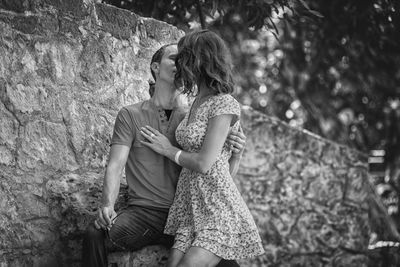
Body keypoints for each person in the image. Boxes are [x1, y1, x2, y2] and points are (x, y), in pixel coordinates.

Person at [81, 42, 246, 267]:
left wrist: (235, 154)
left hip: (186, 216)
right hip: (143, 215)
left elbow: (215, 175)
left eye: (185, 60)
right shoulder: (130, 114)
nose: (181, 64)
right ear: (156, 67)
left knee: (229, 264)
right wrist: (107, 205)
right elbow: (115, 165)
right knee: (94, 232)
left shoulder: (195, 121)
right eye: (174, 58)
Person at [140, 30, 265, 267]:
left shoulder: (224, 103)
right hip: (191, 208)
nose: (179, 64)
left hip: (219, 211)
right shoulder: (195, 102)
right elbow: (220, 167)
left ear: (199, 60)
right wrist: (234, 156)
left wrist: (168, 150)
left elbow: (206, 164)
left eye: (183, 58)